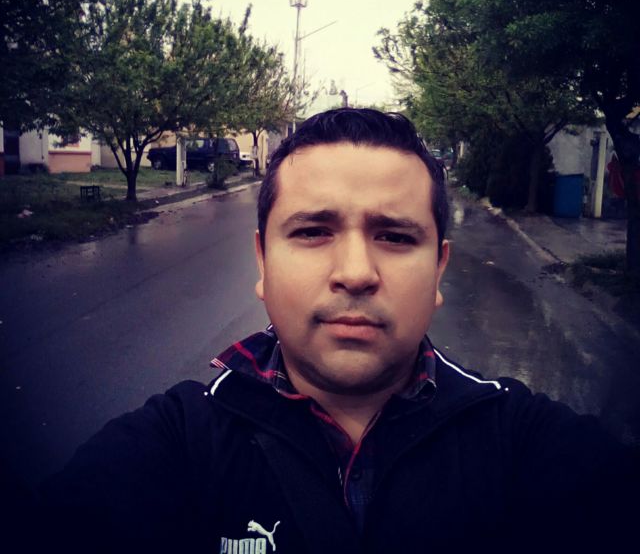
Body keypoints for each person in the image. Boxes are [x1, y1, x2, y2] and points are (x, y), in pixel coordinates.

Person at [38, 108, 637, 554]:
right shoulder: (174, 446)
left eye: (395, 236)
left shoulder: (523, 444)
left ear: (438, 270)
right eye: (312, 232)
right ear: (262, 261)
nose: (355, 272)